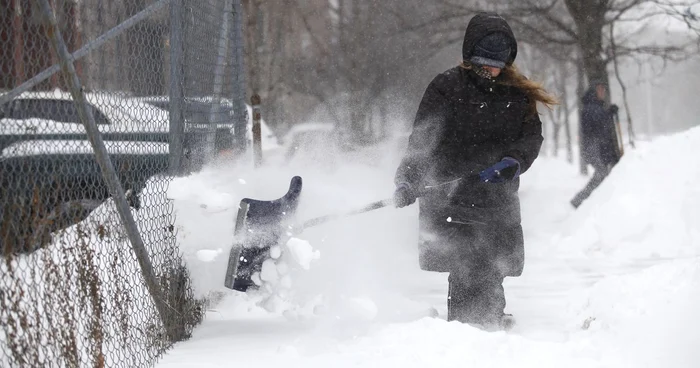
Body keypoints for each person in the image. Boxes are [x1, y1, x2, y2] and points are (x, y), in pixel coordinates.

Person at [392, 12, 557, 330]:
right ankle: (472, 330)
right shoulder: (445, 88)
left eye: (498, 63)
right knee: (467, 263)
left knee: (492, 264)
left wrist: (514, 161)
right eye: (485, 63)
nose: (492, 70)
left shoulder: (516, 93)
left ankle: (485, 326)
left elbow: (530, 136)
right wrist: (407, 180)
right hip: (451, 198)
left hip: (497, 197)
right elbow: (422, 141)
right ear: (470, 58)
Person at [570, 81, 621, 208]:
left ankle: (591, 201)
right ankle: (580, 201)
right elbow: (598, 123)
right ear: (594, 91)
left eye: (603, 90)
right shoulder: (590, 107)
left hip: (597, 147)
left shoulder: (596, 106)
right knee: (602, 173)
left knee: (603, 174)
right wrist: (609, 113)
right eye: (599, 89)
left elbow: (601, 125)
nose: (602, 92)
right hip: (592, 148)